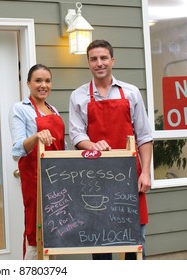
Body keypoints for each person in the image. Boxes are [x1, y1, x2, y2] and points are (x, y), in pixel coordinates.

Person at [69, 39, 153, 260]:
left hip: (130, 178)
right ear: (88, 63)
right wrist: (92, 145)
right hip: (95, 180)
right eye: (94, 59)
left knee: (135, 241)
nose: (99, 63)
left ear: (112, 60)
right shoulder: (78, 96)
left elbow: (144, 136)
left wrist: (145, 172)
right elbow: (76, 135)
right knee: (100, 242)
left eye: (103, 58)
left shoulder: (132, 93)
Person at [9, 64, 66, 260]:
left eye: (47, 81)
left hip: (58, 182)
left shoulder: (54, 110)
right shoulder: (20, 109)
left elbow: (61, 147)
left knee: (55, 233)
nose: (43, 85)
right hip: (35, 181)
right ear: (28, 84)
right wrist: (36, 136)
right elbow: (17, 150)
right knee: (36, 233)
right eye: (38, 81)